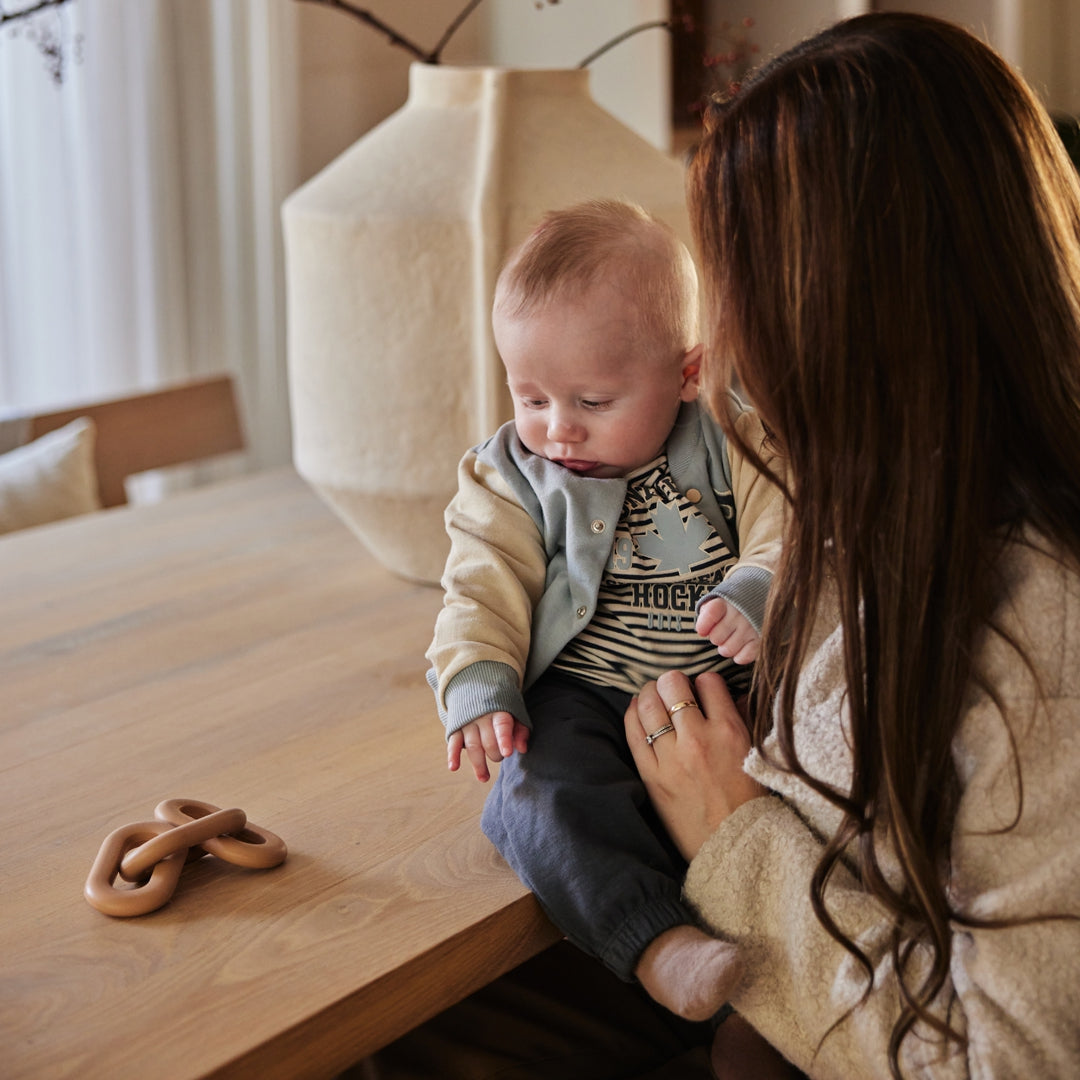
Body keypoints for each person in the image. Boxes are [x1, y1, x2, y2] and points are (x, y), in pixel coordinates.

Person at [623, 11, 1080, 1078]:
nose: (720, 341)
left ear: (830, 318)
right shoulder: (897, 517)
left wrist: (736, 838)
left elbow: (1001, 1062)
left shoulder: (1042, 633)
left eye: (730, 284)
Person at [425, 197, 785, 1021]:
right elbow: (480, 582)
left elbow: (788, 522)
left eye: (593, 401)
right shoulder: (509, 476)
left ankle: (780, 928)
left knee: (810, 755)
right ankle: (661, 948)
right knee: (532, 790)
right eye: (531, 395)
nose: (558, 430)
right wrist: (479, 680)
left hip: (725, 690)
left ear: (687, 373)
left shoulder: (729, 437)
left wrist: (759, 588)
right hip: (585, 693)